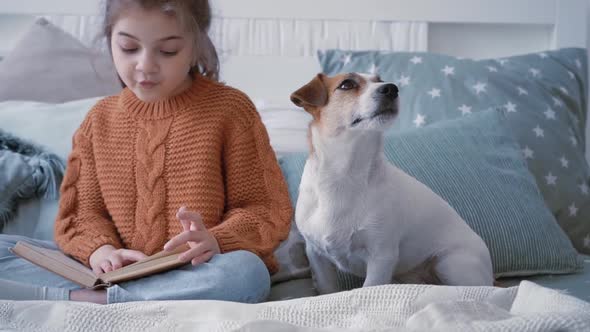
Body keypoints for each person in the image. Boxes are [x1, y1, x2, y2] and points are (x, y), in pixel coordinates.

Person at [0, 0, 292, 304]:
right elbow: (82, 214)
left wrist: (215, 240)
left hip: (194, 270)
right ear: (110, 39)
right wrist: (102, 251)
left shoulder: (230, 111)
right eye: (128, 48)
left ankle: (90, 302)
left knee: (247, 273)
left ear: (196, 48)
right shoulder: (98, 120)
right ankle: (109, 297)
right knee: (6, 249)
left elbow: (264, 209)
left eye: (168, 51)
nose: (145, 65)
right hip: (109, 272)